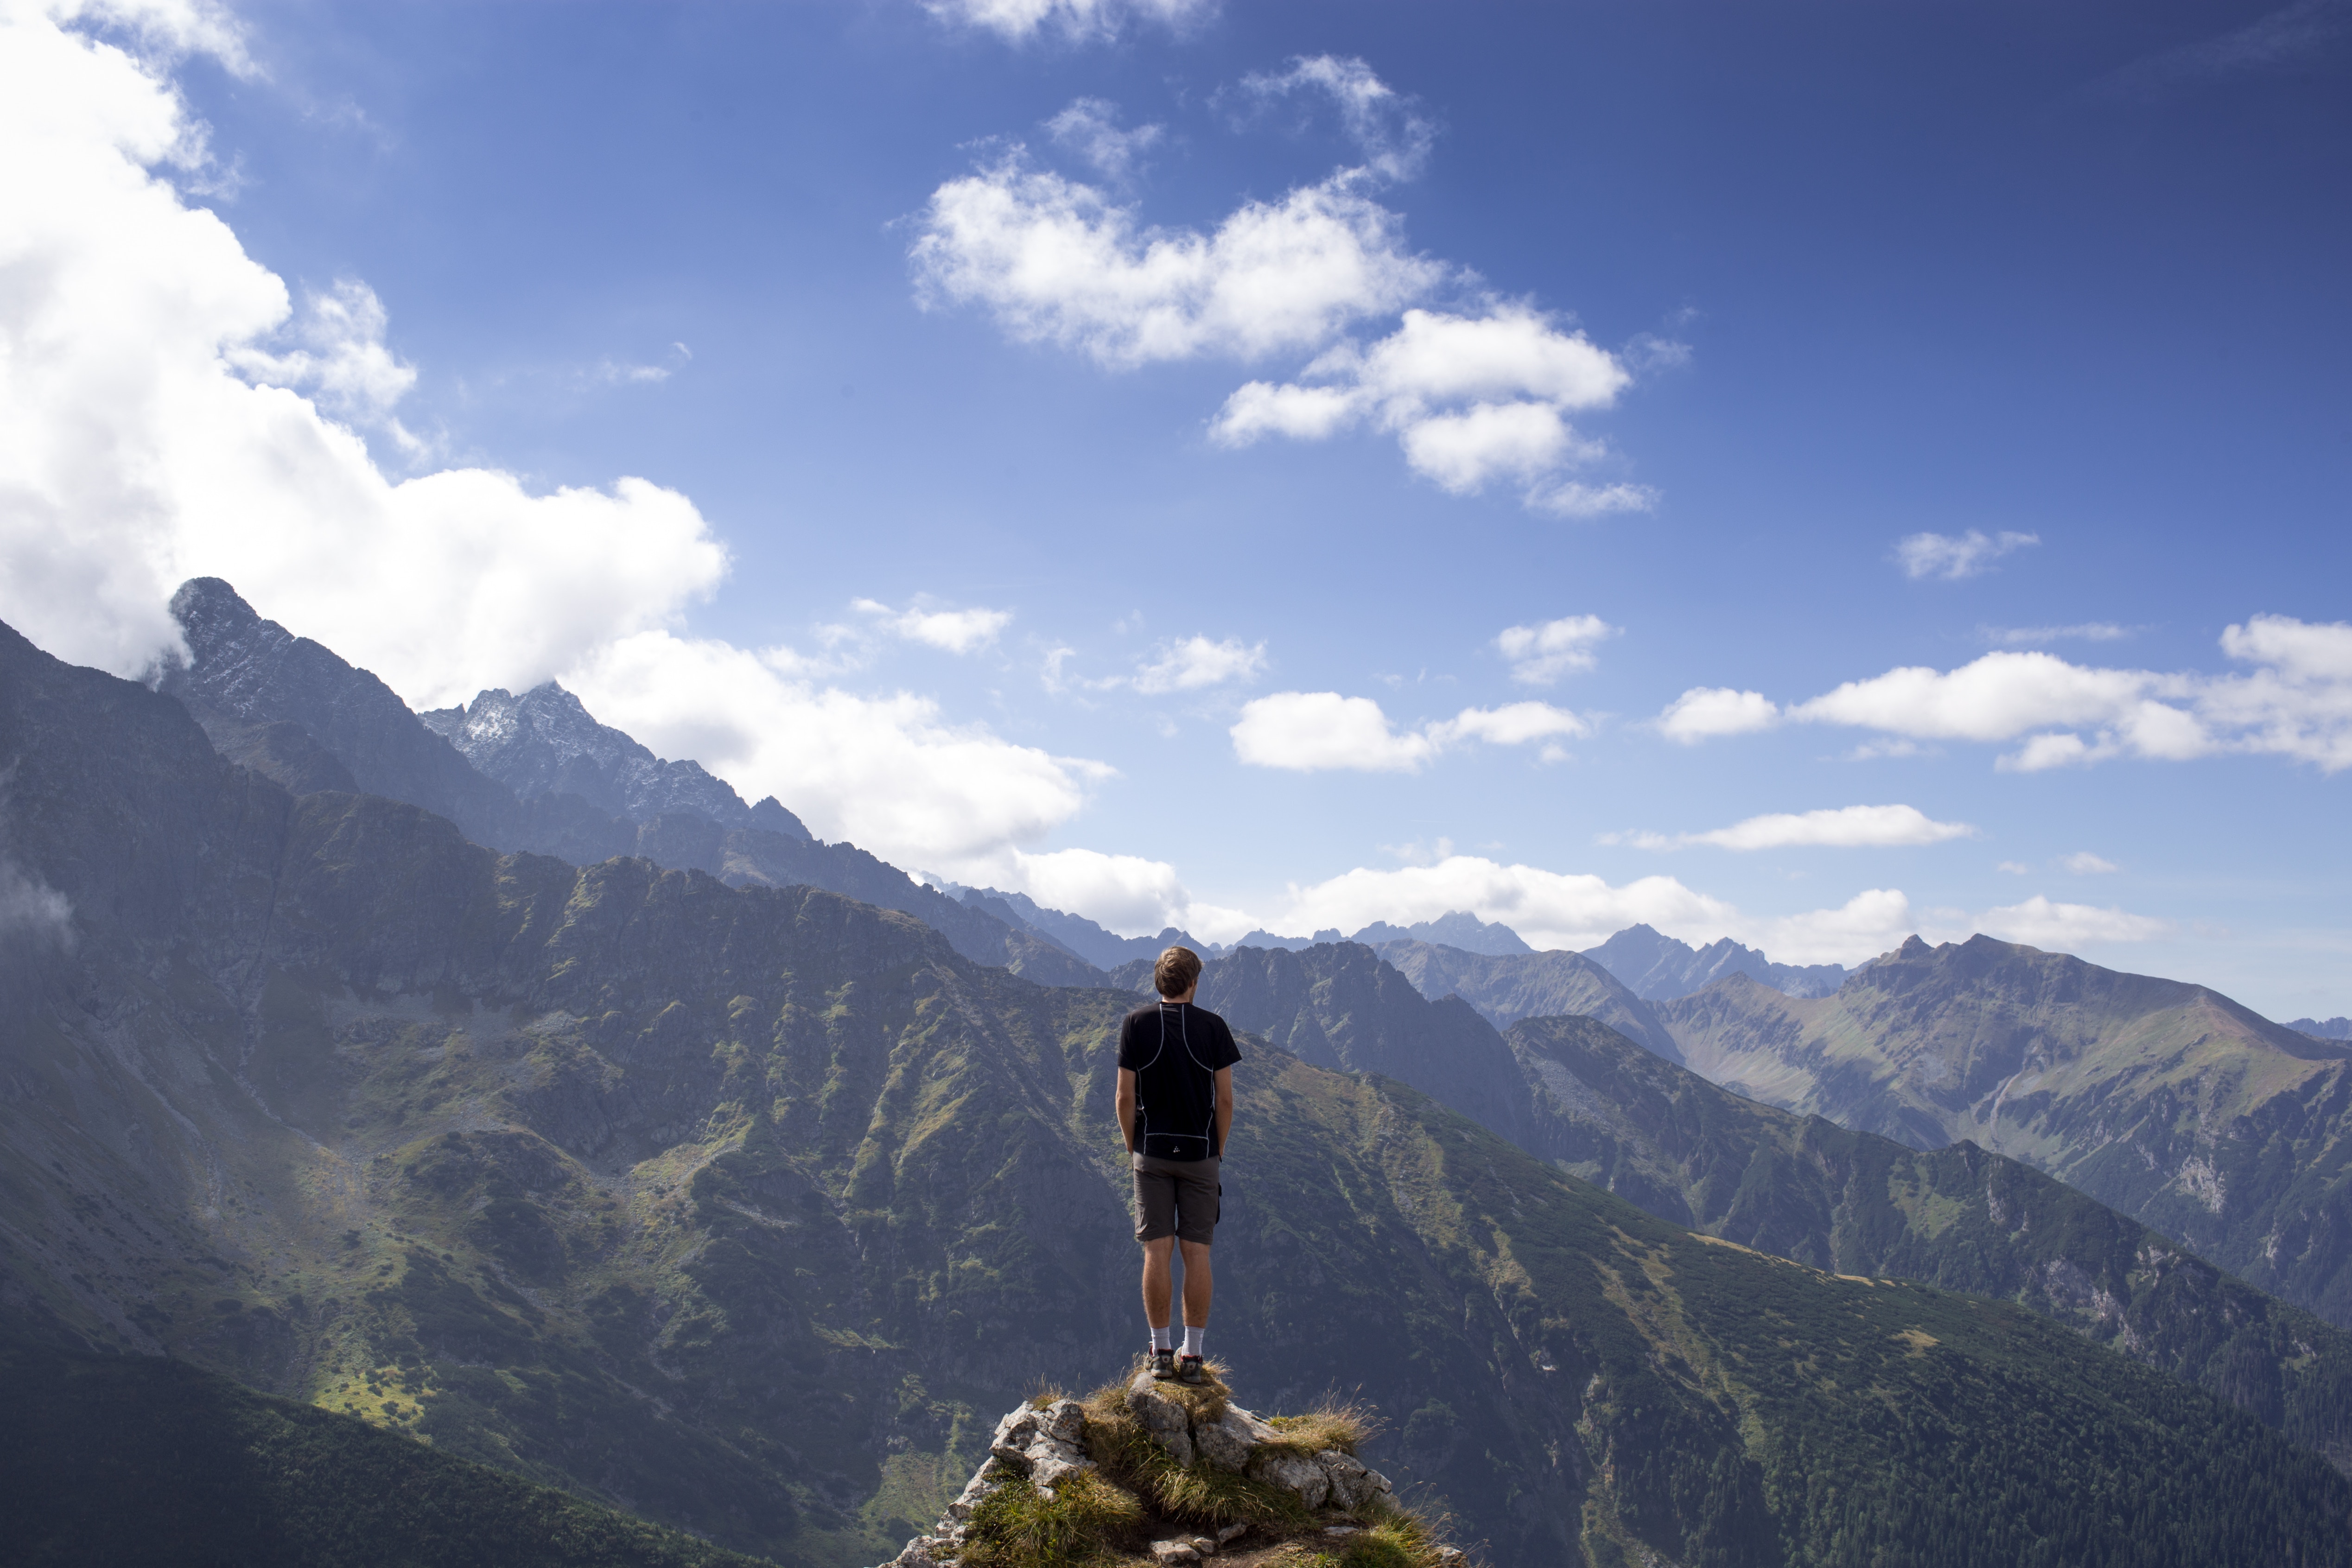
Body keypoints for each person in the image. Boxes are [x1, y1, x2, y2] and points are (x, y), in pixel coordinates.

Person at [1115, 945, 1240, 1386]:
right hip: (1201, 1153)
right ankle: (1194, 1356)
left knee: (1156, 1250)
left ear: (1158, 982)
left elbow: (1125, 1097)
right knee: (1196, 1252)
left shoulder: (1136, 1024)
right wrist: (1217, 1150)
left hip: (1151, 1151)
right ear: (1193, 982)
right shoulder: (1213, 1028)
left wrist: (1136, 1147)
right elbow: (1224, 1099)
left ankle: (1160, 1349)